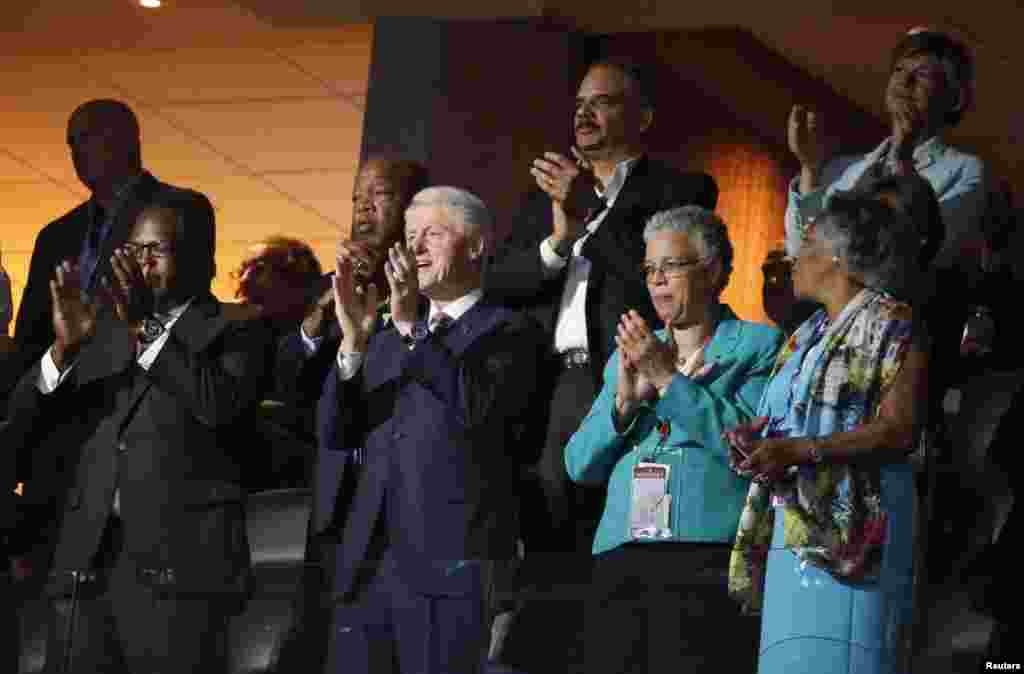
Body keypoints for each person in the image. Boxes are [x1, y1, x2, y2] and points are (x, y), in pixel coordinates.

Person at [1, 189, 270, 673]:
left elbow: (218, 406)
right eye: (134, 250)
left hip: (182, 578)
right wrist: (62, 351)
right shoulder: (102, 331)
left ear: (198, 256)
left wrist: (145, 326)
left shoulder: (239, 328)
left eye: (156, 250)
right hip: (89, 569)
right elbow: (26, 423)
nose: (142, 263)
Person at [486, 57, 719, 586]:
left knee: (618, 532)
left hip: (629, 375)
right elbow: (500, 284)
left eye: (603, 101)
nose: (584, 114)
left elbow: (659, 284)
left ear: (643, 117)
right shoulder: (541, 196)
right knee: (548, 538)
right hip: (551, 386)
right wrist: (559, 243)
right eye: (579, 105)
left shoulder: (680, 190)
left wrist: (591, 210)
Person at [316, 186, 543, 674]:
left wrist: (410, 330)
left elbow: (478, 411)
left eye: (433, 235)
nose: (415, 249)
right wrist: (353, 346)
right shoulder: (387, 334)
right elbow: (336, 434)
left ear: (478, 245)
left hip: (453, 573)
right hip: (369, 568)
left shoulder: (510, 331)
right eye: (410, 236)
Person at [564, 205, 782, 673]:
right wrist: (624, 405)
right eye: (649, 269)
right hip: (620, 555)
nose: (656, 280)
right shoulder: (629, 352)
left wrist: (668, 381)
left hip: (704, 558)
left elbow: (746, 449)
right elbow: (578, 464)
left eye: (671, 266)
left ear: (714, 270)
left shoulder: (759, 347)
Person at [727, 195, 929, 674]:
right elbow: (781, 420)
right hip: (792, 529)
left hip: (858, 533)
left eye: (809, 242)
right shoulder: (806, 333)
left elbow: (901, 431)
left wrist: (801, 449)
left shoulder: (894, 322)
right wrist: (752, 440)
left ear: (841, 255)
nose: (795, 256)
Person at [2, 99, 208, 406]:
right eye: (72, 142)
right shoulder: (56, 235)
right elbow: (32, 338)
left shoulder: (179, 209)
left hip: (141, 401)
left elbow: (185, 303)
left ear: (127, 139)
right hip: (60, 413)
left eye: (89, 136)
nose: (78, 151)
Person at [785, 28, 986, 270]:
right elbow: (800, 253)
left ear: (954, 98)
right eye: (899, 70)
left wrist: (903, 156)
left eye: (922, 74)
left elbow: (925, 258)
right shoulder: (843, 169)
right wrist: (810, 169)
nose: (904, 80)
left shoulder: (963, 169)